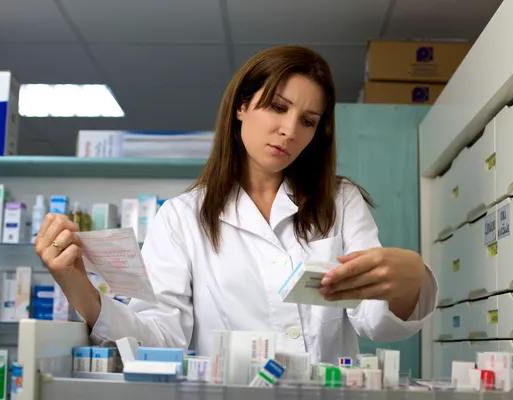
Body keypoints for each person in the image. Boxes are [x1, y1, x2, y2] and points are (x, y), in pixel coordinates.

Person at [34, 45, 438, 364]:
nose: (289, 130)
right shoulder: (181, 217)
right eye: (278, 107)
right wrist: (76, 284)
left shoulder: (340, 201)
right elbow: (160, 336)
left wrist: (407, 283)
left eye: (308, 121)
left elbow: (373, 321)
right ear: (242, 107)